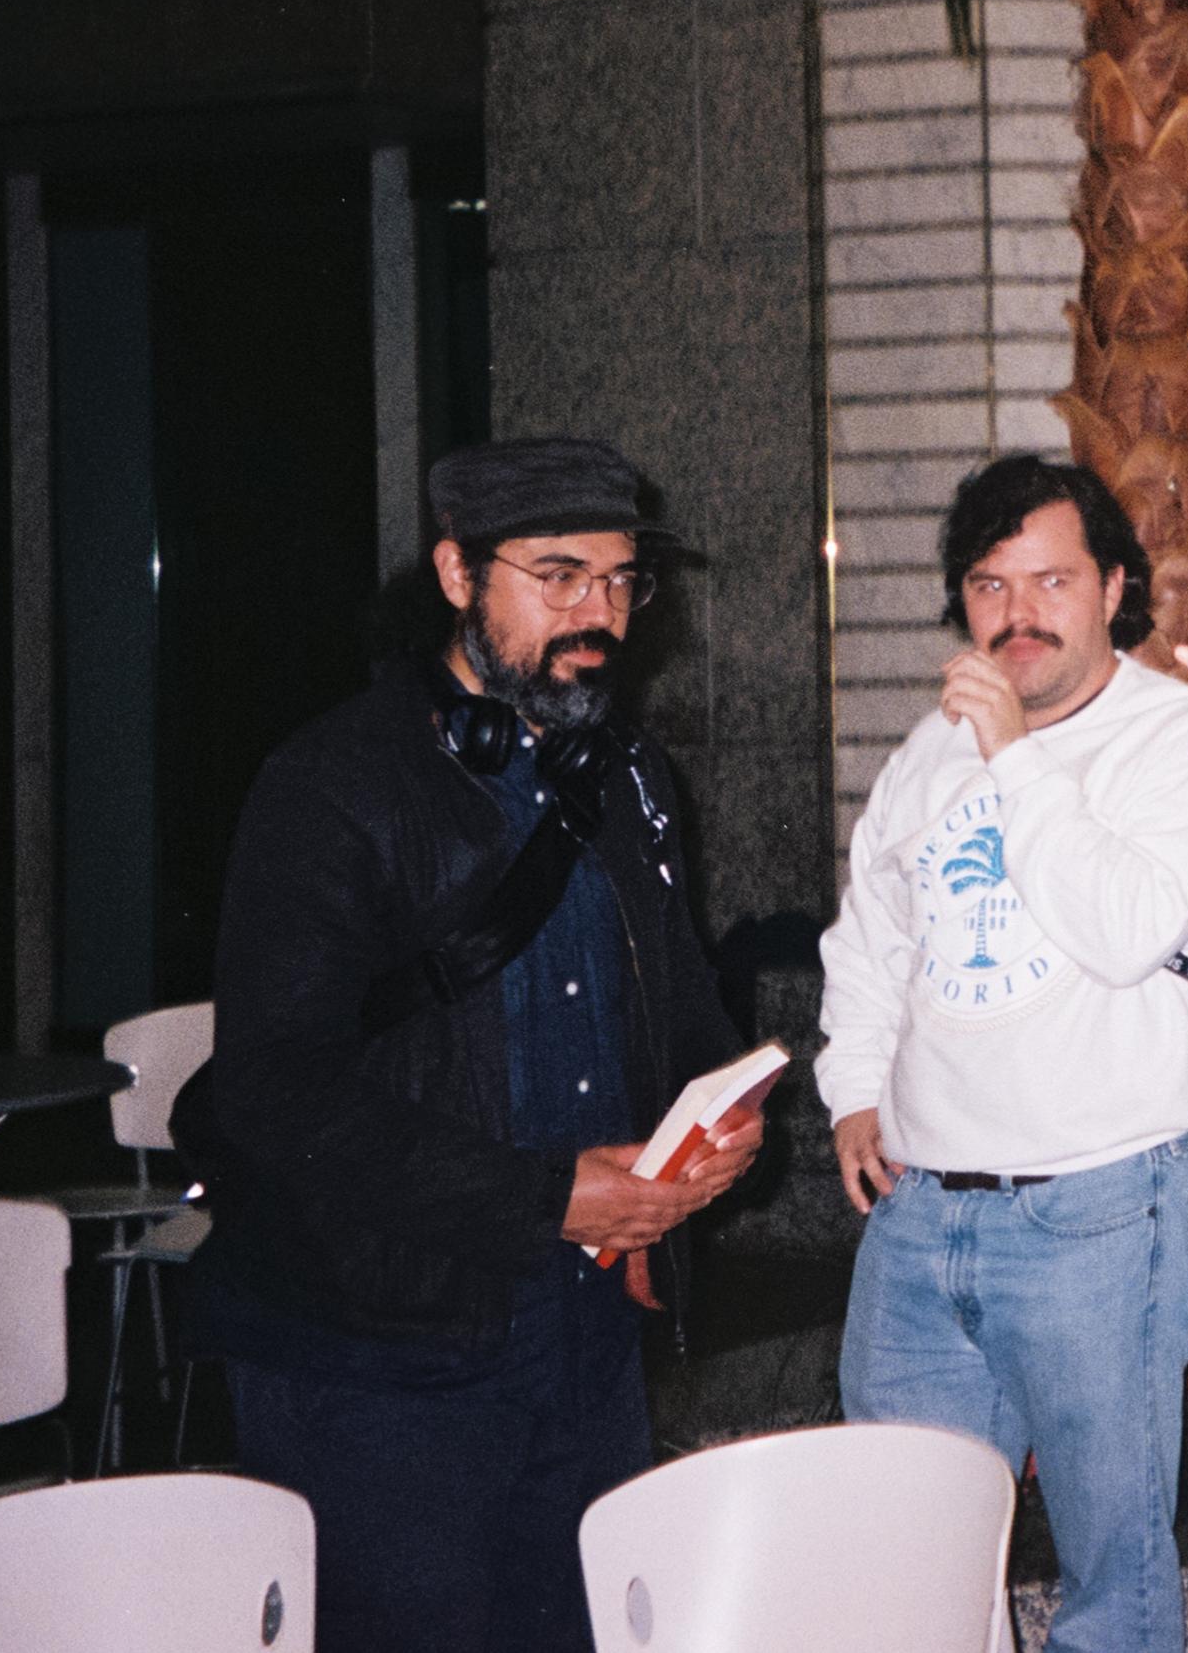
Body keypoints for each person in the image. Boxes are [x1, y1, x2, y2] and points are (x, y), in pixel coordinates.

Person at [188, 437, 761, 1653]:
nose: (596, 614)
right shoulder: (330, 785)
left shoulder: (631, 773)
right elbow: (277, 1093)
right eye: (557, 576)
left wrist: (709, 1133)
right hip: (383, 1353)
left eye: (617, 580)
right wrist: (551, 1194)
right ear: (457, 572)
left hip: (592, 1330)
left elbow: (684, 1005)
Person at [815, 456, 1188, 1653]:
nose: (1019, 612)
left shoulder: (1186, 741)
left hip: (1103, 1206)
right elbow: (873, 936)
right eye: (990, 584)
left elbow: (1119, 931)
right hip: (918, 1218)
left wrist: (1014, 758)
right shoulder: (925, 752)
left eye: (1052, 579)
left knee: (1113, 1586)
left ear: (1116, 586)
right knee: (911, 1566)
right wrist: (854, 1087)